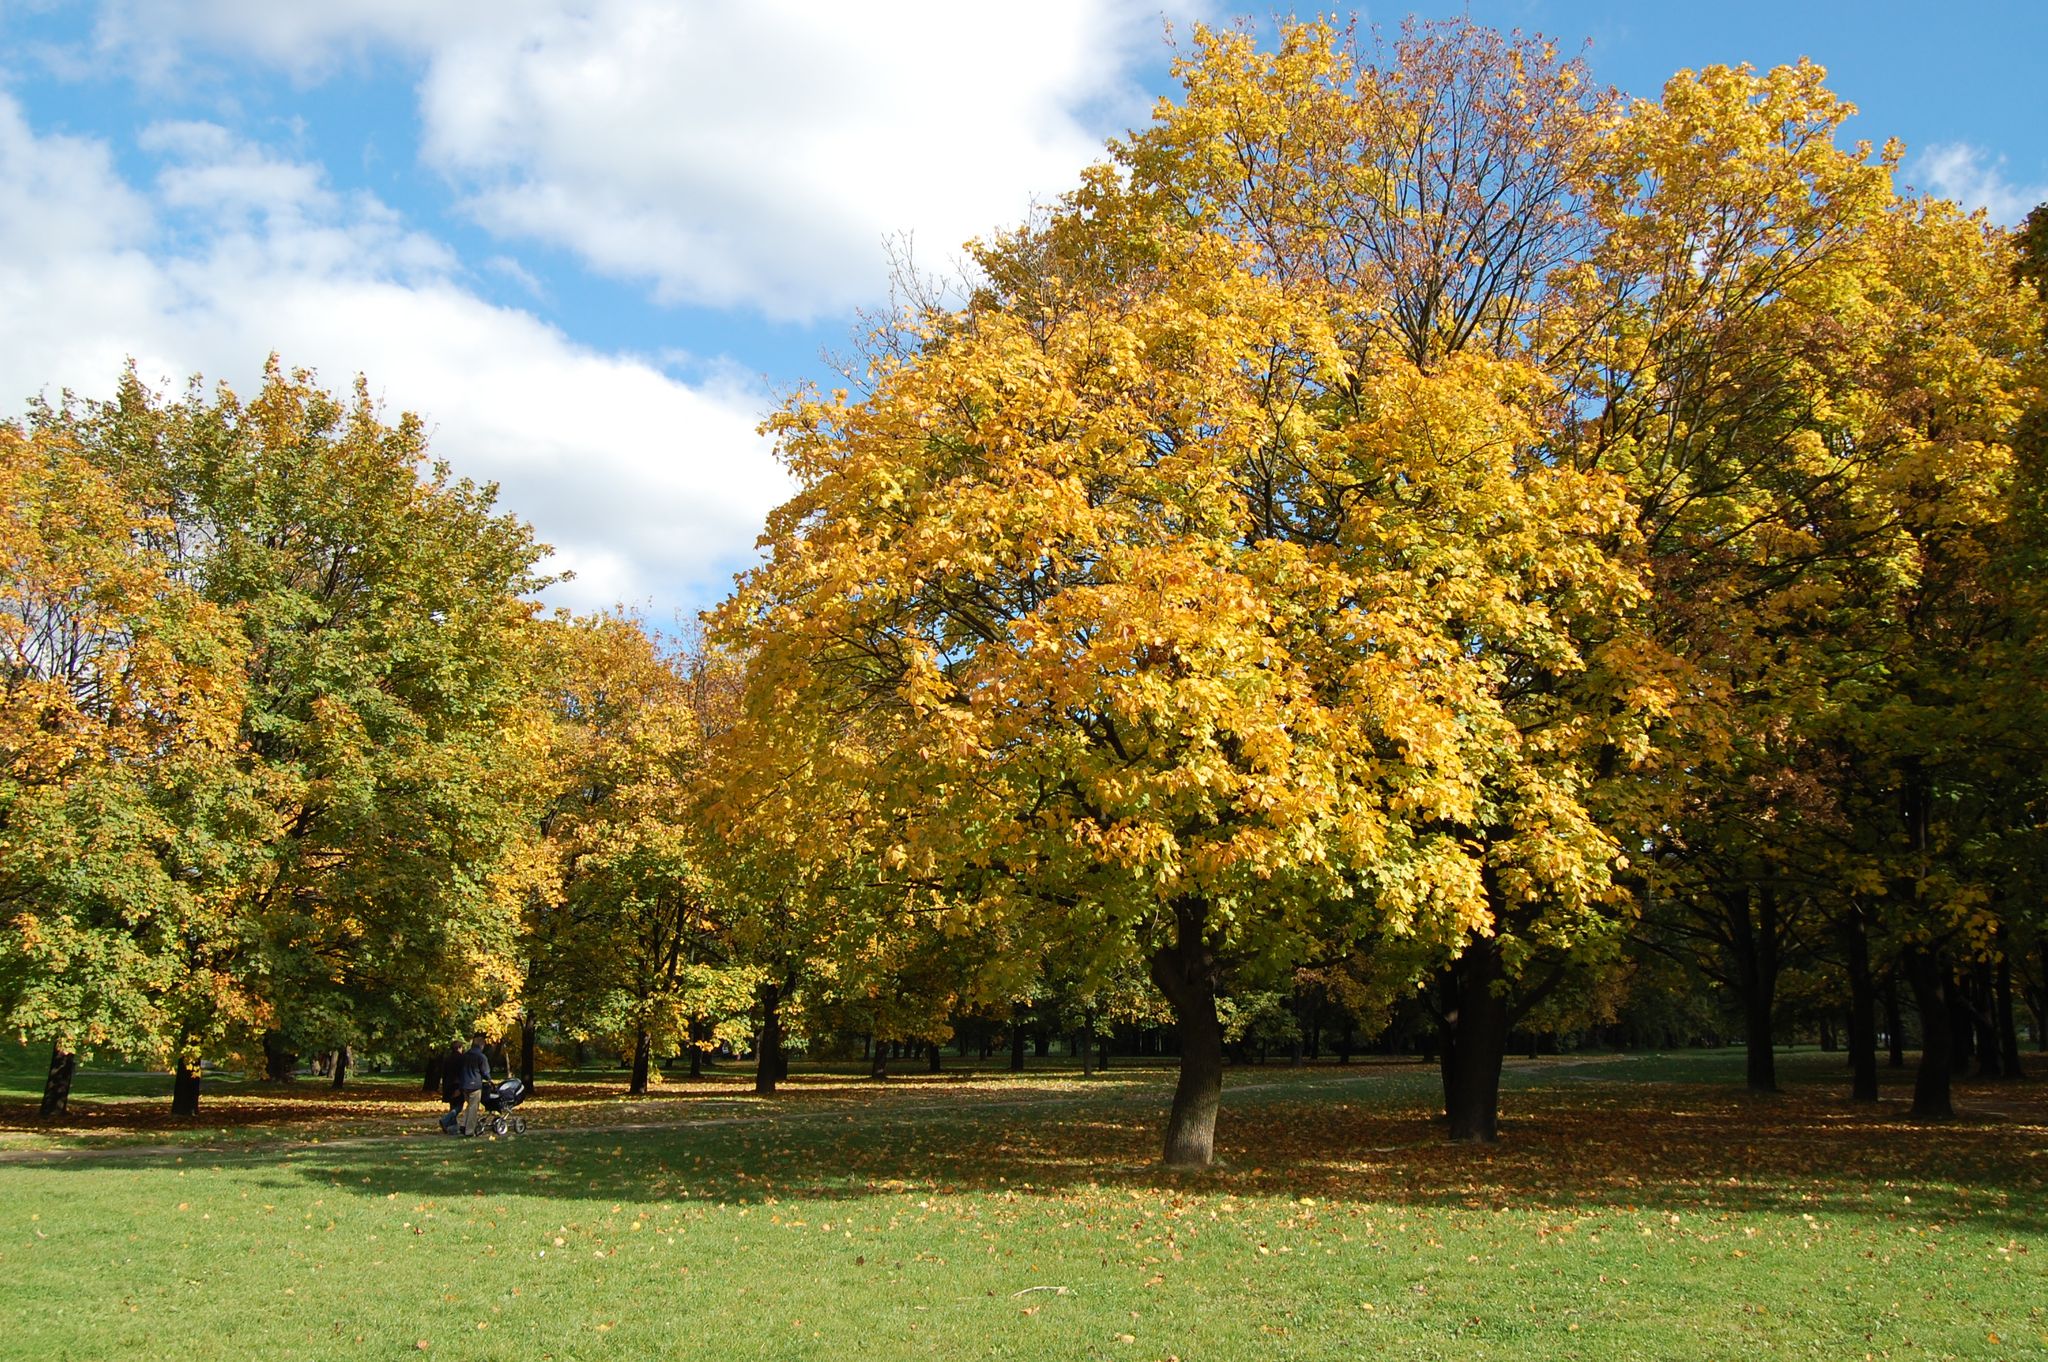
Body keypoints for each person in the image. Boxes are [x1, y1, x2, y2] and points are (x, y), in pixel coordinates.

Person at [457, 1033, 491, 1136]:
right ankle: (469, 1130)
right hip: (475, 1085)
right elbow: (485, 1072)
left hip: (464, 1084)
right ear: (482, 1045)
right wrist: (489, 1079)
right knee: (473, 1108)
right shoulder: (481, 1057)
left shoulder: (465, 1056)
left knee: (470, 1105)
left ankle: (463, 1124)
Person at [437, 1042, 465, 1135]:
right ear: (459, 1048)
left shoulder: (447, 1059)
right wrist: (460, 1087)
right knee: (459, 1106)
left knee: (453, 1105)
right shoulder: (461, 1058)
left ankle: (452, 1128)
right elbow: (461, 1073)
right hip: (457, 1085)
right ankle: (446, 1120)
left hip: (448, 1085)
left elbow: (444, 1073)